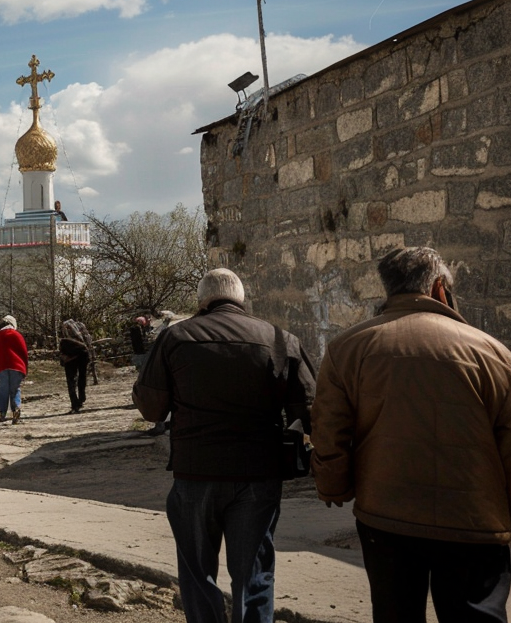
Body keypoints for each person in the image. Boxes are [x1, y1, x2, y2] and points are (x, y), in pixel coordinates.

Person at [313, 247, 511, 620]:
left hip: (385, 516)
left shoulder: (346, 349)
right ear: (439, 287)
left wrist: (333, 487)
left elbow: (329, 432)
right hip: (474, 523)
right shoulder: (493, 353)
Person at [133, 269, 315, 623]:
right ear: (241, 300)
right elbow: (310, 410)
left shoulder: (176, 338)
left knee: (198, 573)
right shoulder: (281, 340)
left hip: (196, 470)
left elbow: (152, 408)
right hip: (259, 473)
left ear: (203, 302)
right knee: (254, 576)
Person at [0, 316, 28, 424]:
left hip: (1, 367)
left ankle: (2, 414)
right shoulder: (17, 335)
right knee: (15, 389)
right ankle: (15, 410)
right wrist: (25, 367)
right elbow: (23, 352)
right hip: (16, 366)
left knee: (3, 390)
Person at [59, 319, 92, 414]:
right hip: (83, 355)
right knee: (82, 376)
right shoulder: (81, 326)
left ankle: (75, 403)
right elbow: (88, 340)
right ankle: (81, 398)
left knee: (71, 380)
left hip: (71, 357)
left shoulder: (65, 327)